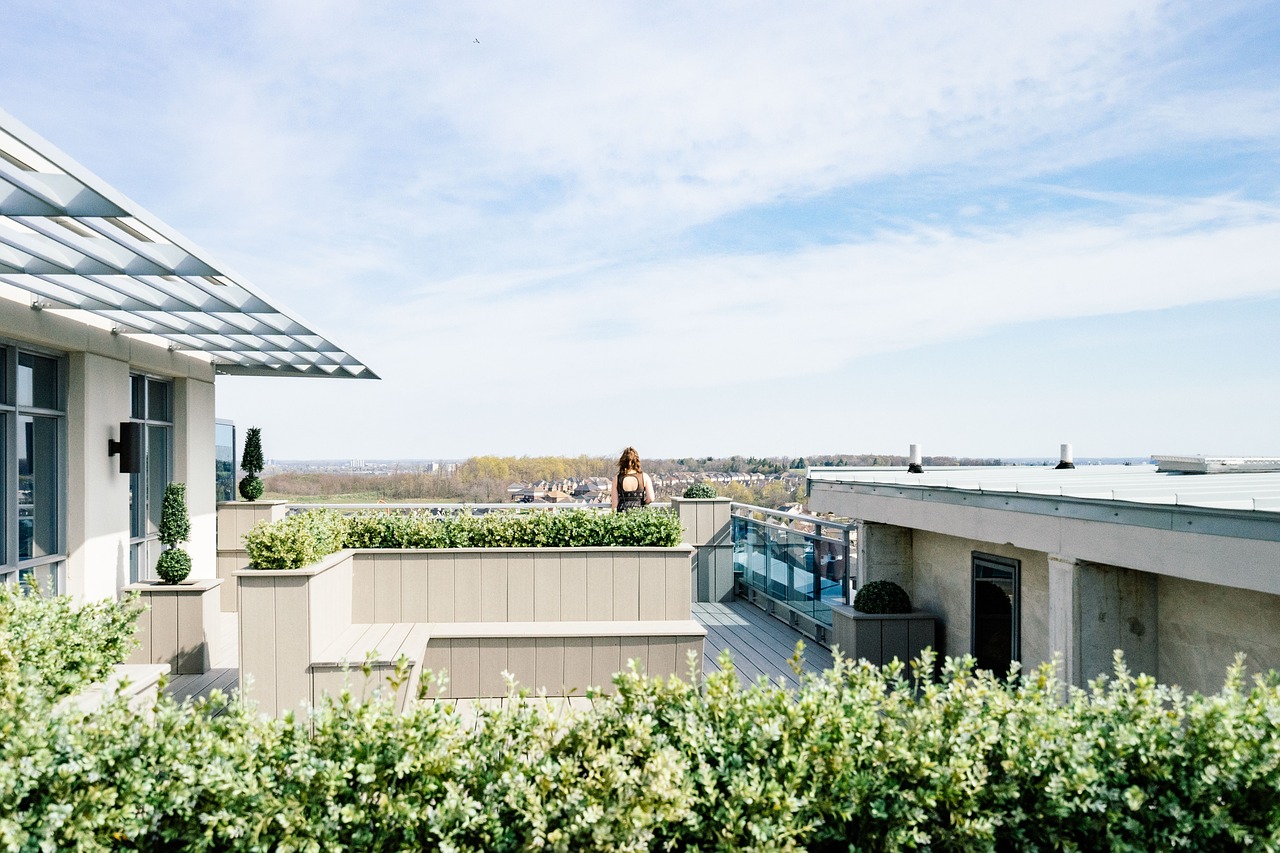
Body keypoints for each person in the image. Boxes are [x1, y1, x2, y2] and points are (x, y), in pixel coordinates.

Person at [611, 446, 655, 512]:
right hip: (638, 513)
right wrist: (642, 504)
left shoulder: (617, 479)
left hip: (622, 514)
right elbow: (651, 498)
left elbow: (614, 504)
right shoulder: (644, 477)